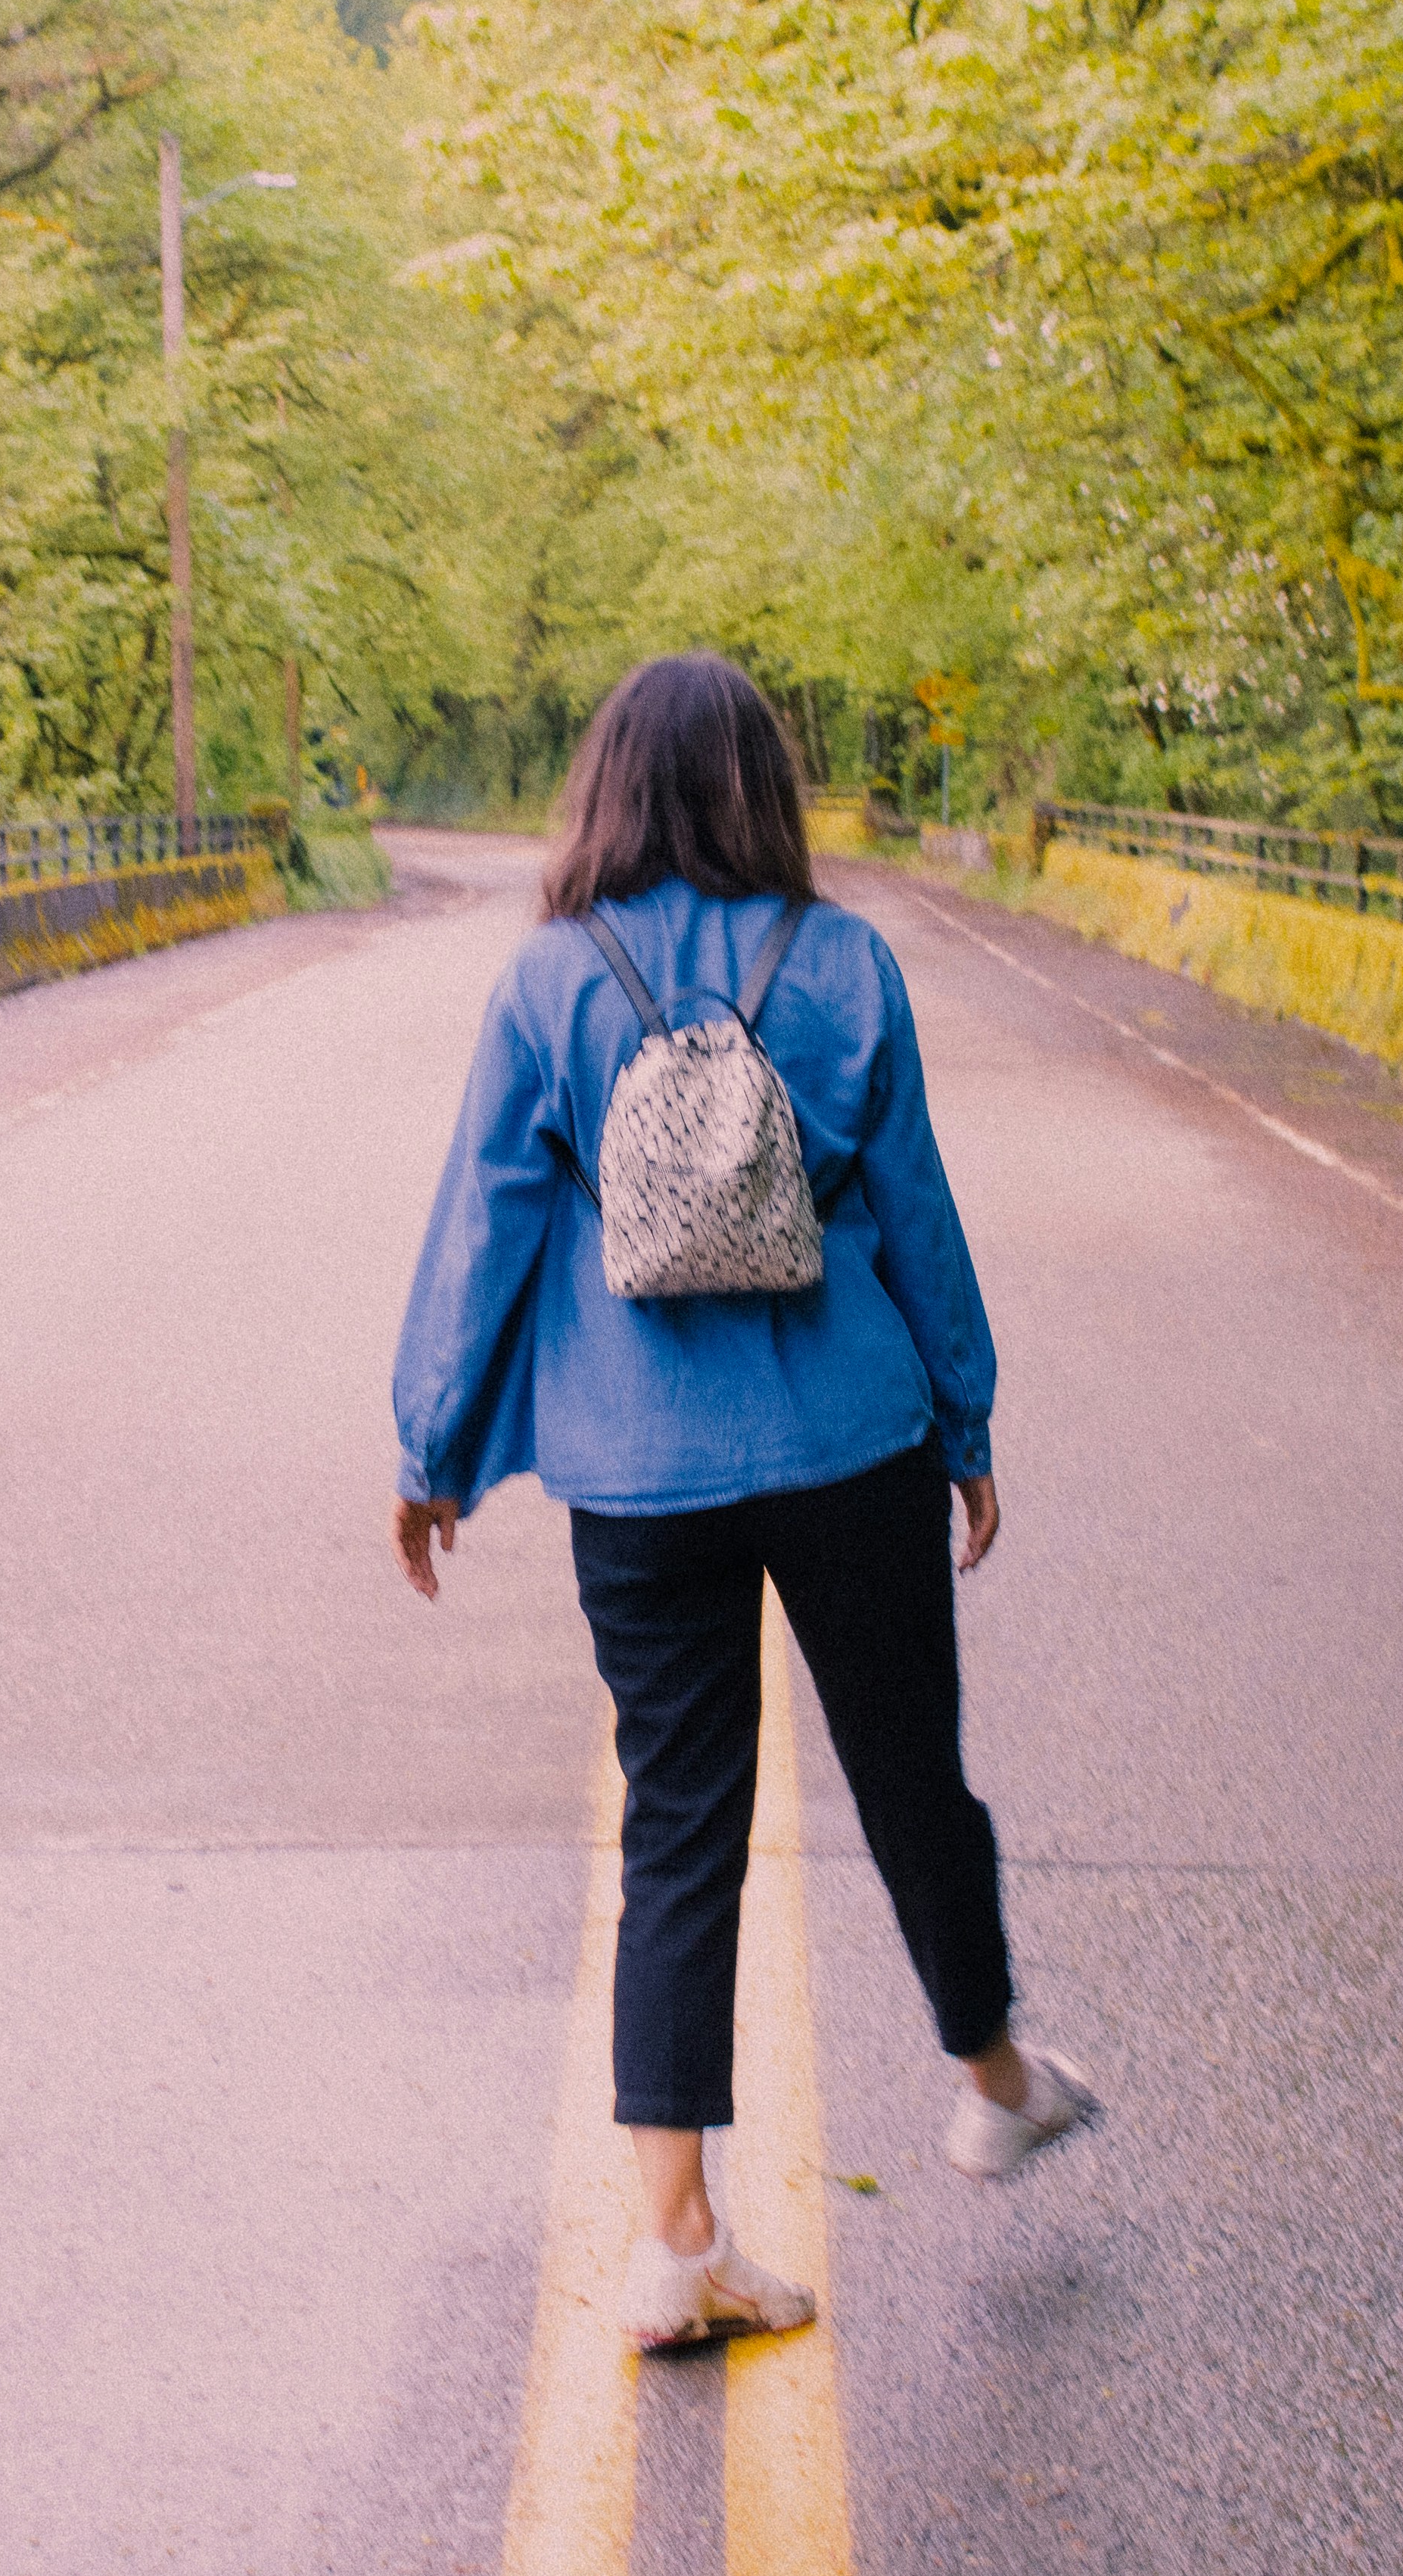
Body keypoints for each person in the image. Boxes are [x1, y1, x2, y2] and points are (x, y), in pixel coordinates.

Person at [390, 650, 1100, 2356]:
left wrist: (430, 1452)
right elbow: (914, 1209)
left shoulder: (549, 983)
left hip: (637, 1475)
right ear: (764, 790)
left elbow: (485, 1224)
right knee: (911, 1773)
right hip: (849, 1445)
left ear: (604, 790)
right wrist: (970, 1419)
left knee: (680, 1828)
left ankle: (676, 2242)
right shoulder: (845, 965)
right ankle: (994, 2076)